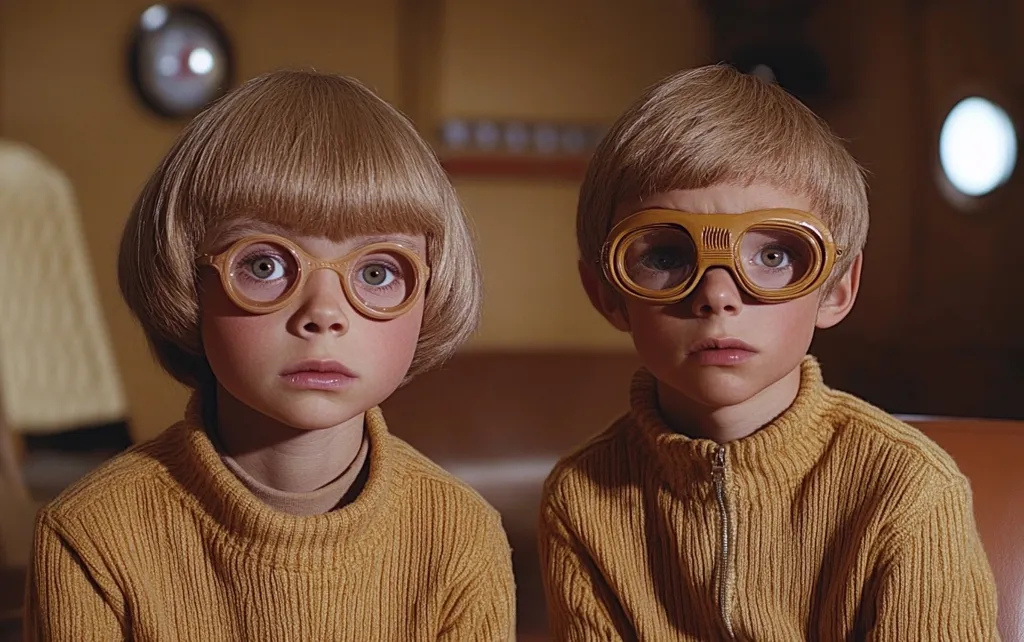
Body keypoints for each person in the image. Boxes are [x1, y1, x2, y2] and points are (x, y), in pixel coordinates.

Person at [26, 69, 515, 641]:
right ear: (187, 279)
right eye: (265, 265)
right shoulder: (90, 534)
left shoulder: (462, 538)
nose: (324, 314)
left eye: (377, 272)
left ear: (432, 294)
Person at [539, 64, 999, 641]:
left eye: (775, 256)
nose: (717, 295)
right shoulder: (580, 496)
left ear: (835, 289)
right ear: (609, 295)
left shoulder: (906, 489)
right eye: (665, 257)